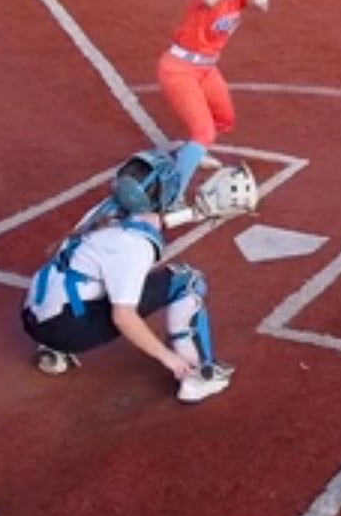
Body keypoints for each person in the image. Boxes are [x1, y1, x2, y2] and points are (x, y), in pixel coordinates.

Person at [22, 144, 257, 403]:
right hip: (67, 328)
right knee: (188, 281)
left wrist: (196, 213)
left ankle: (53, 351)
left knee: (94, 280)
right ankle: (199, 374)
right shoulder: (134, 246)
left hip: (36, 314)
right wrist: (170, 359)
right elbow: (124, 317)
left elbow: (151, 221)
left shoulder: (108, 208)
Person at [156, 0, 270, 166]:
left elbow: (262, 4)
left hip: (206, 68)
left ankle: (191, 153)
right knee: (204, 133)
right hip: (180, 69)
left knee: (224, 119)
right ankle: (175, 184)